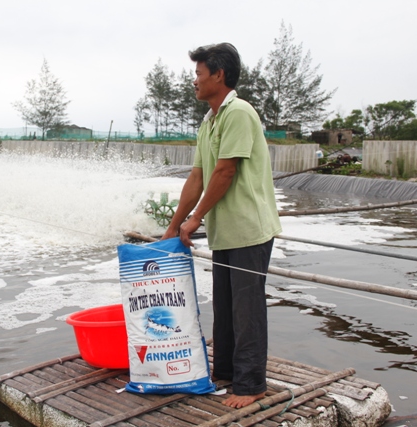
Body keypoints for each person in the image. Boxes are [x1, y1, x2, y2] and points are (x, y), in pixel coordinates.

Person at [162, 43, 282, 409]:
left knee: (247, 307)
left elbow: (225, 171)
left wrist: (196, 218)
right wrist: (173, 225)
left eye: (199, 74)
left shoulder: (239, 113)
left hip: (248, 227)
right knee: (226, 305)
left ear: (219, 75)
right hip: (225, 230)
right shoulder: (209, 119)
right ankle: (227, 373)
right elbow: (198, 176)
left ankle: (250, 385)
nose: (194, 81)